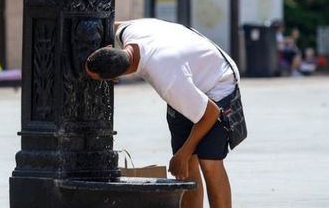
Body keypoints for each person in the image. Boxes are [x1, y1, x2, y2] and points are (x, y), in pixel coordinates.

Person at [85, 18, 244, 208]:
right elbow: (111, 24)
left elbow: (210, 113)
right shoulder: (127, 31)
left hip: (218, 79)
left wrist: (183, 154)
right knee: (186, 169)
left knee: (209, 161)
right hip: (187, 72)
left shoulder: (167, 80)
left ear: (114, 79)